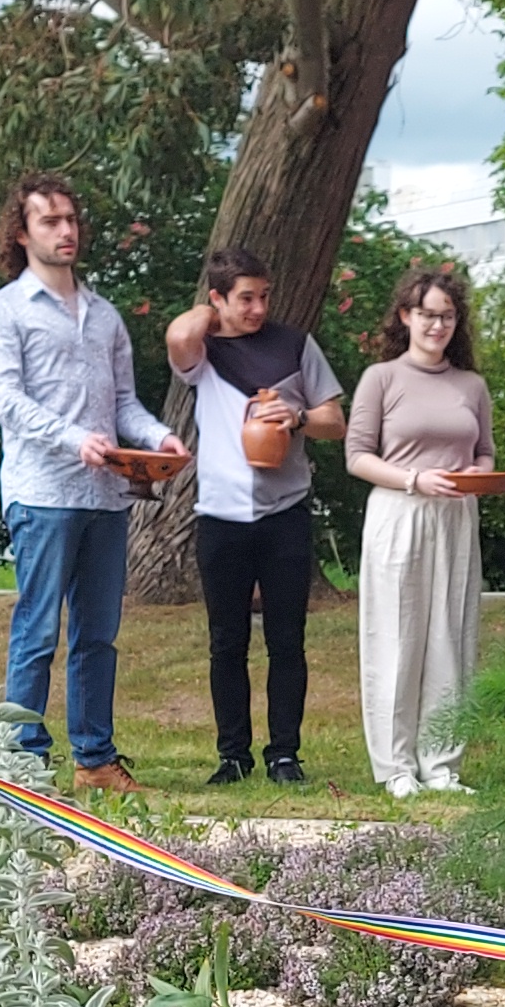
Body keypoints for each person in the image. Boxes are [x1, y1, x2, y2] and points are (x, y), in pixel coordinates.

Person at [0, 171, 178, 794]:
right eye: (50, 220)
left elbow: (123, 405)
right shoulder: (2, 311)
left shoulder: (106, 316)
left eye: (71, 220)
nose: (65, 230)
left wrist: (159, 438)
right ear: (22, 233)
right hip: (42, 493)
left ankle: (95, 760)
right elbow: (4, 399)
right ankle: (21, 762)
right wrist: (72, 439)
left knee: (98, 633)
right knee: (38, 629)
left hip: (107, 496)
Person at [162, 246, 344, 787]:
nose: (259, 308)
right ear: (218, 299)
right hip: (219, 516)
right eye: (246, 298)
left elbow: (334, 419)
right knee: (227, 641)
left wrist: (299, 415)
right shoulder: (203, 352)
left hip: (284, 512)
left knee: (287, 639)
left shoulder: (295, 345)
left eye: (265, 297)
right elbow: (176, 337)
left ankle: (285, 753)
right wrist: (216, 316)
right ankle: (233, 755)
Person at [343, 263, 491, 796]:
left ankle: (442, 764)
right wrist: (413, 479)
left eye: (448, 316)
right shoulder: (381, 379)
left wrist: (477, 475)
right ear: (406, 316)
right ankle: (397, 767)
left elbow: (483, 453)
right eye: (428, 314)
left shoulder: (470, 385)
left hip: (455, 517)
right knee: (397, 637)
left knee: (450, 636)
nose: (437, 325)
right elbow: (356, 456)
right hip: (399, 511)